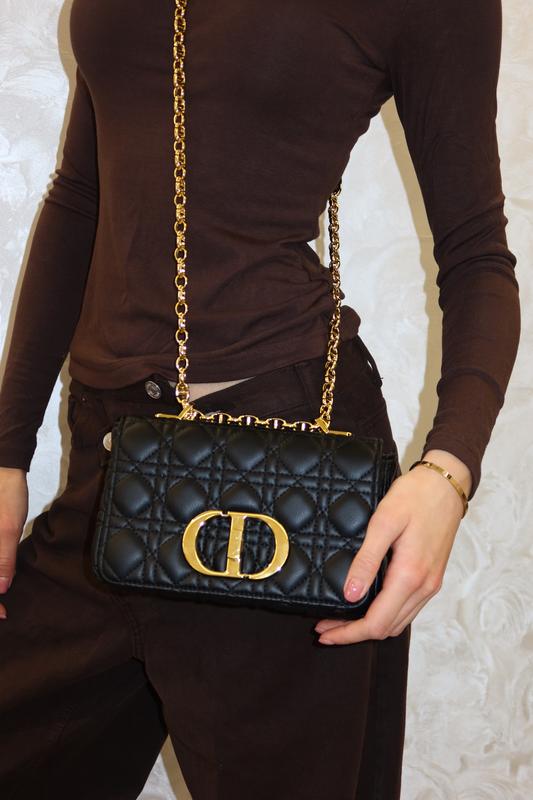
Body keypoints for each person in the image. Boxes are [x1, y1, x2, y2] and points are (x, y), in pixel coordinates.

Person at [0, 1, 520, 798]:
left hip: (282, 472)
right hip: (107, 451)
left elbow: (477, 251)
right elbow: (80, 196)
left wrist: (448, 473)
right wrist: (8, 451)